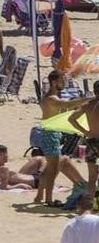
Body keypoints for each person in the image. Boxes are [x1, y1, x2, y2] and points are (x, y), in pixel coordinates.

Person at [39, 71, 89, 205]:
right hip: (50, 134)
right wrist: (89, 99)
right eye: (62, 81)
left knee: (50, 167)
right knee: (52, 169)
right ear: (54, 82)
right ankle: (48, 200)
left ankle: (39, 196)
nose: (64, 84)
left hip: (50, 133)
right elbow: (66, 105)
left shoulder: (51, 96)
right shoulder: (52, 98)